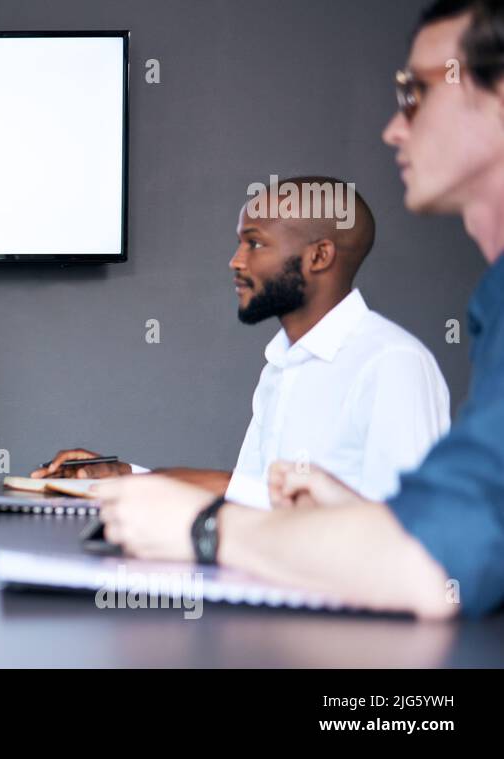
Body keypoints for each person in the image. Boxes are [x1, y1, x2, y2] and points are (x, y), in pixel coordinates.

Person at [96, 0, 504, 619]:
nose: (395, 129)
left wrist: (206, 530)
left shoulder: (394, 362)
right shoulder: (489, 306)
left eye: (419, 92)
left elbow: (442, 555)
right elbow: (455, 522)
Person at [33, 178, 450, 508]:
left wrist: (151, 483)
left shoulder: (392, 363)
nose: (236, 260)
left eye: (254, 243)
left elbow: (409, 533)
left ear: (320, 256)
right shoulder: (281, 365)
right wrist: (123, 476)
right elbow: (251, 498)